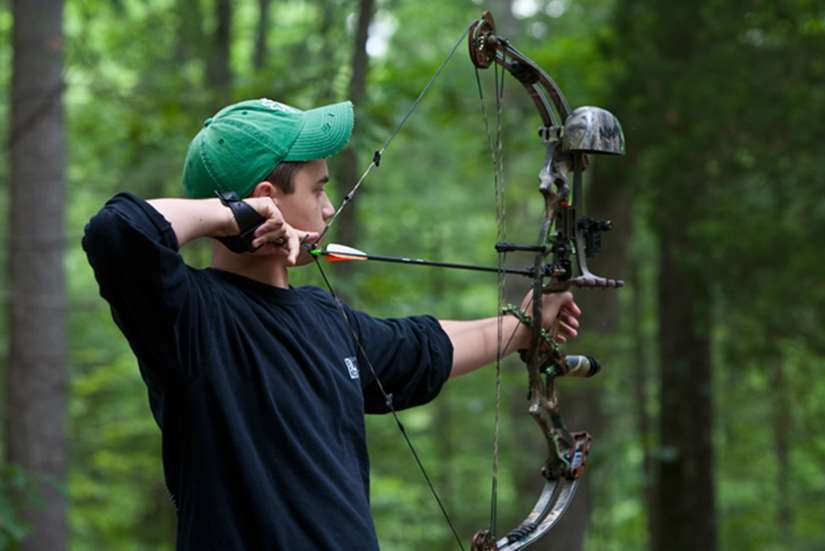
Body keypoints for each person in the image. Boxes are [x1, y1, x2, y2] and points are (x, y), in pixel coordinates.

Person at [82, 97, 582, 550]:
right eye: (318, 189)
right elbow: (117, 231)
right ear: (266, 197)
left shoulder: (324, 319)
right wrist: (237, 215)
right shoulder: (191, 318)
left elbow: (424, 346)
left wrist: (526, 322)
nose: (327, 207)